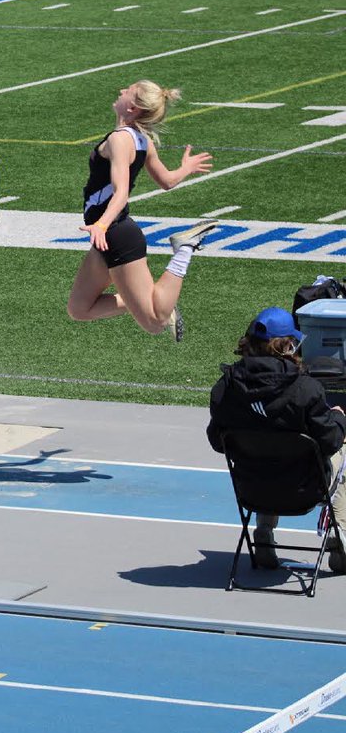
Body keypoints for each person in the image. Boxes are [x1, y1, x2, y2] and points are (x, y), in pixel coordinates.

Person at [66, 80, 218, 341]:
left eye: (128, 90)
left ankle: (184, 249)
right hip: (109, 236)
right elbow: (167, 181)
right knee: (79, 309)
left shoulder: (119, 140)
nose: (121, 89)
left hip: (117, 235)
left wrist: (101, 224)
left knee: (156, 321)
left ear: (133, 107)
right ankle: (142, 300)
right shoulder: (142, 141)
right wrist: (186, 168)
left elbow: (121, 191)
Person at [207, 307, 346, 572]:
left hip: (251, 489)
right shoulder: (305, 390)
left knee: (268, 454)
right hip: (305, 490)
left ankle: (263, 533)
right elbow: (330, 441)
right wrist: (339, 418)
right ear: (289, 345)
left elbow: (217, 441)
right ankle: (342, 543)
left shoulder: (225, 388)